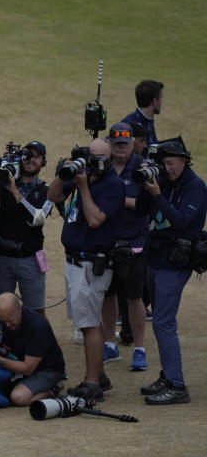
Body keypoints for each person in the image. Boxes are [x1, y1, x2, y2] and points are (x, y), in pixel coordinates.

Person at [46, 139, 124, 401]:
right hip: (74, 261)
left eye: (98, 158)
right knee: (87, 321)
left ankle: (92, 384)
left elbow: (94, 219)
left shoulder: (113, 185)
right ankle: (99, 374)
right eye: (90, 157)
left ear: (110, 158)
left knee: (89, 325)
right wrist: (64, 172)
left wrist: (83, 187)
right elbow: (53, 196)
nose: (93, 163)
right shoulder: (84, 173)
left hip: (92, 264)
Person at [136, 139, 207, 404]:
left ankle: (177, 386)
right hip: (156, 258)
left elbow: (180, 222)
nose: (166, 168)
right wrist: (146, 186)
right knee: (162, 324)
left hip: (175, 263)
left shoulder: (196, 187)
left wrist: (157, 194)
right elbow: (142, 211)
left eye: (170, 163)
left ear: (184, 160)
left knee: (164, 323)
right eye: (162, 163)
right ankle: (168, 376)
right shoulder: (164, 180)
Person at [99, 124, 148, 371]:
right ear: (109, 144)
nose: (120, 148)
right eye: (116, 144)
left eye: (125, 143)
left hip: (134, 243)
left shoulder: (142, 168)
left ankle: (139, 349)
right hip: (106, 242)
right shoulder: (102, 167)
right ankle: (109, 344)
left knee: (134, 298)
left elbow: (147, 204)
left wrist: (119, 200)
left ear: (132, 143)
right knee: (107, 296)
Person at [0, 140, 52, 314]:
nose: (31, 160)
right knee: (1, 309)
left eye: (37, 157)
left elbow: (37, 219)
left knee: (36, 311)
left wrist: (14, 190)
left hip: (30, 258)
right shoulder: (3, 184)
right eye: (28, 155)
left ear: (43, 162)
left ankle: (38, 342)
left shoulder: (47, 190)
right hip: (2, 257)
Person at [0, 293, 65, 406]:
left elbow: (27, 369)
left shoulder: (38, 326)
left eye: (10, 321)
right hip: (16, 360)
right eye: (3, 321)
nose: (7, 325)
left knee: (18, 397)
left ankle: (53, 389)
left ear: (20, 309)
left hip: (45, 369)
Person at [120, 80, 163, 149]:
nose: (162, 102)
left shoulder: (149, 119)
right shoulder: (127, 125)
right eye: (161, 98)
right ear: (154, 101)